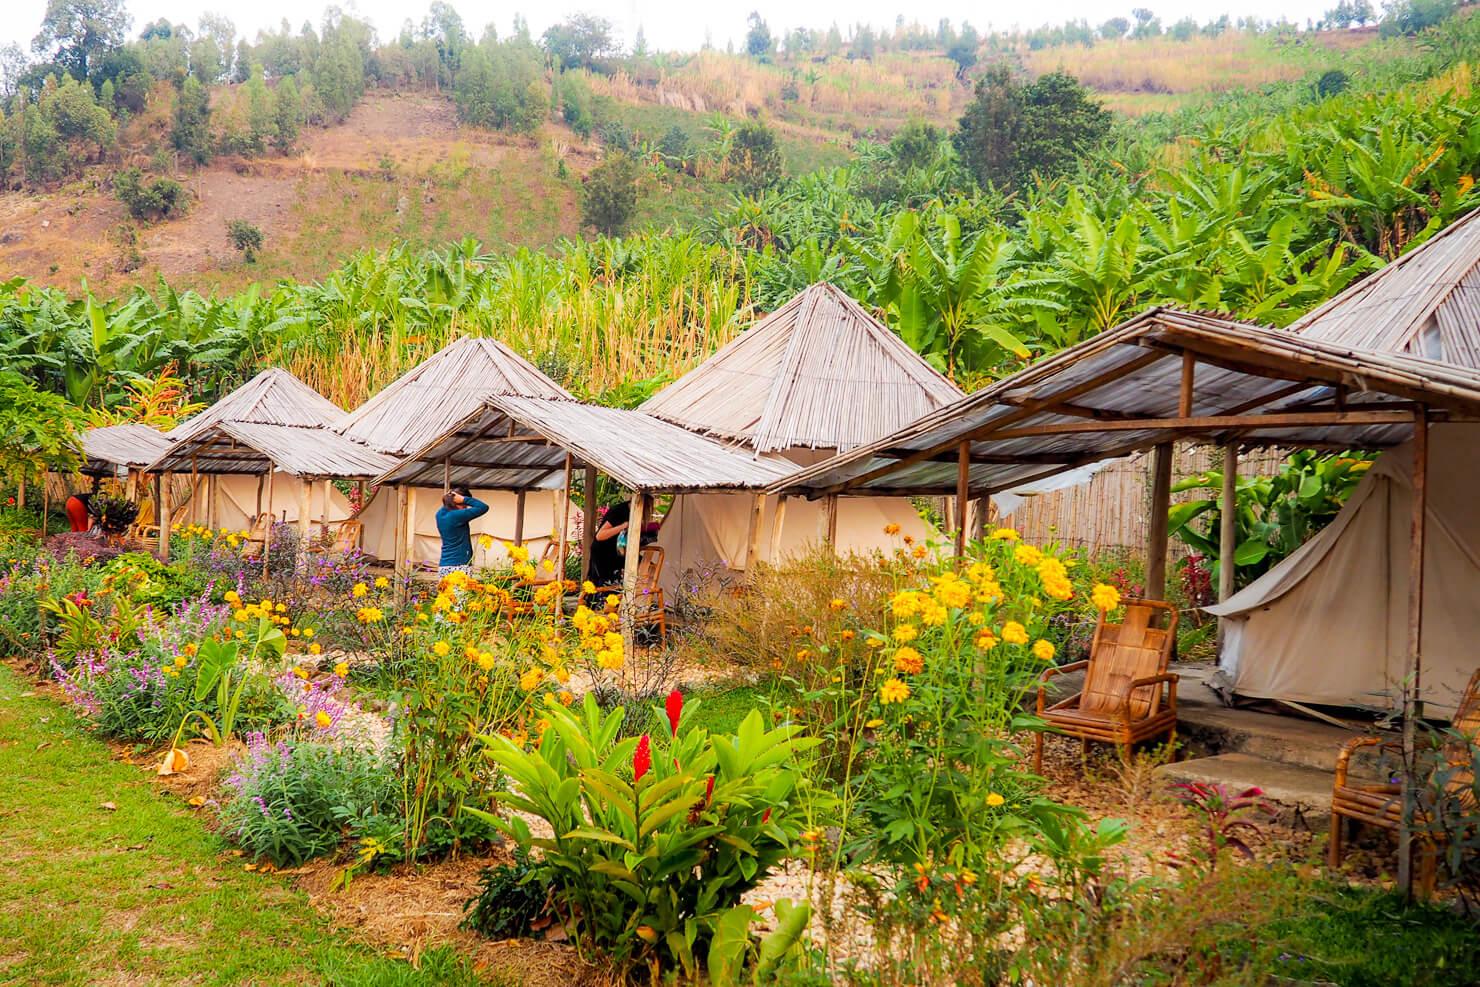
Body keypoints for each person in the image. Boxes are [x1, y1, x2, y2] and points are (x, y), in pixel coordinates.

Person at [435, 487, 488, 576]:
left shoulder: (440, 514)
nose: (466, 508)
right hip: (459, 565)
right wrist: (464, 499)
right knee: (462, 590)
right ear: (459, 502)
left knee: (447, 590)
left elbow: (447, 505)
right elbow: (483, 507)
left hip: (444, 565)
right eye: (465, 505)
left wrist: (450, 498)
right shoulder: (457, 516)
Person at [587, 501, 632, 588]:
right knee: (604, 585)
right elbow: (600, 536)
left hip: (615, 552)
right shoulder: (619, 511)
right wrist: (623, 526)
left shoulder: (630, 512)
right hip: (604, 553)